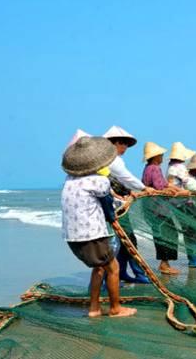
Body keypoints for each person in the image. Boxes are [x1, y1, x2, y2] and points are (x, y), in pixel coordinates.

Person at [61, 136, 136, 318]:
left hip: (73, 236)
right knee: (113, 268)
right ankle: (115, 308)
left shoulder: (69, 179)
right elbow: (108, 207)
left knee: (100, 268)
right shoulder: (99, 181)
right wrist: (113, 216)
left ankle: (94, 308)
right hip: (92, 235)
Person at [103, 125, 151, 284]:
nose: (125, 147)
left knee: (125, 241)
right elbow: (125, 177)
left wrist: (130, 192)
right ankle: (108, 281)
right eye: (122, 143)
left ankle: (123, 273)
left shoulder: (106, 160)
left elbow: (119, 182)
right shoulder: (112, 159)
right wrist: (144, 188)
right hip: (114, 208)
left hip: (118, 206)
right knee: (123, 241)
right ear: (112, 143)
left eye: (126, 144)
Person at [141, 142, 181, 275]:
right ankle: (164, 264)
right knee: (168, 233)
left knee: (161, 233)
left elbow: (162, 184)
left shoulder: (148, 167)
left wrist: (173, 188)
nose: (163, 157)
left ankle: (165, 263)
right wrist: (174, 191)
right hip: (158, 207)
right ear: (156, 156)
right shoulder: (155, 168)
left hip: (151, 206)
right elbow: (160, 188)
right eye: (161, 155)